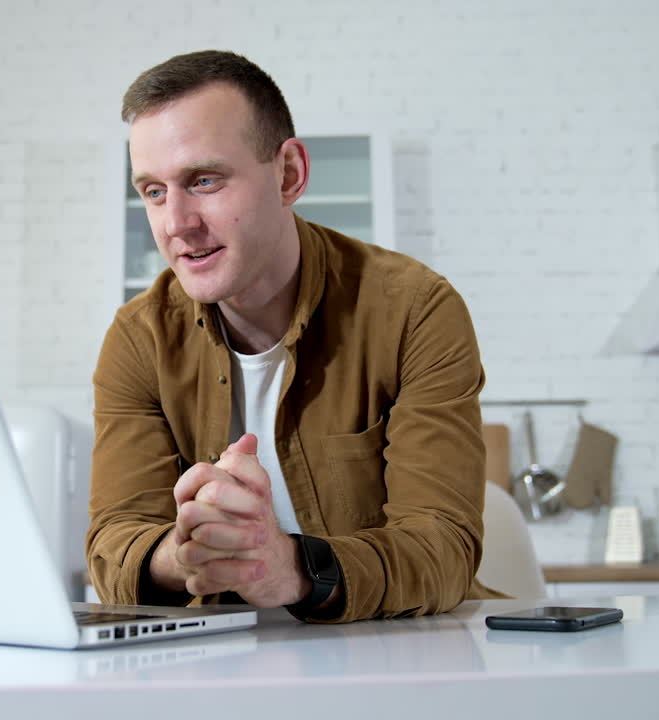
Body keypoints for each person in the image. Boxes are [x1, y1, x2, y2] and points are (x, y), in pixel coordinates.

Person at [87, 50, 498, 623]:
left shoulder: (414, 310)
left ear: (289, 175)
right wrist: (185, 555)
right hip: (225, 666)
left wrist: (289, 567)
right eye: (153, 191)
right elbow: (113, 545)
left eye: (203, 180)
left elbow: (442, 548)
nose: (176, 223)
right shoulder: (138, 338)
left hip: (400, 654)